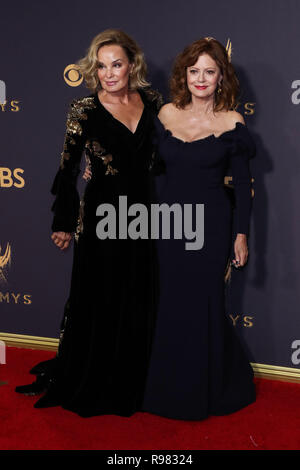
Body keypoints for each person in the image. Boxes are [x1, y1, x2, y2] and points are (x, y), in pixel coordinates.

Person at [15, 29, 163, 417]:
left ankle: (134, 377)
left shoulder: (153, 101)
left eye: (116, 64)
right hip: (101, 216)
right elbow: (67, 170)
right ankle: (89, 375)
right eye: (101, 66)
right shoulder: (83, 109)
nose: (109, 73)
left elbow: (164, 161)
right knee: (98, 295)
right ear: (93, 70)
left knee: (138, 293)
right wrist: (63, 222)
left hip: (146, 216)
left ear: (133, 65)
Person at [140, 37, 256, 420]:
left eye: (209, 71)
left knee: (204, 303)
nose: (201, 78)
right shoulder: (165, 115)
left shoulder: (232, 121)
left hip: (211, 226)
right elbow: (149, 171)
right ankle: (167, 386)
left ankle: (206, 387)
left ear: (221, 77)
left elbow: (242, 185)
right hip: (167, 223)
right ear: (184, 75)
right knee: (170, 303)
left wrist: (241, 234)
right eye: (194, 71)